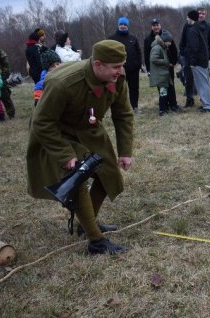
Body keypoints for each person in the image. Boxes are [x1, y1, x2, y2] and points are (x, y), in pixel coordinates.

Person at [26, 40, 134, 255]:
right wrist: (64, 154)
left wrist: (125, 151)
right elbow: (42, 123)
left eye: (122, 65)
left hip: (88, 129)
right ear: (98, 64)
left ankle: (86, 224)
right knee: (79, 176)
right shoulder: (63, 82)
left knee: (109, 175)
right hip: (57, 132)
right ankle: (96, 241)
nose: (120, 71)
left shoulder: (117, 79)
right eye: (115, 67)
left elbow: (123, 114)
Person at [145, 19, 181, 113]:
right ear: (151, 27)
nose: (156, 27)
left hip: (169, 67)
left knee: (170, 86)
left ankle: (173, 104)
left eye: (157, 25)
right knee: (162, 89)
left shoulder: (167, 36)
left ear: (160, 25)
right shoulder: (149, 40)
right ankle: (163, 108)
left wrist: (173, 62)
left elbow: (174, 51)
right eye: (154, 25)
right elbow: (149, 57)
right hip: (159, 70)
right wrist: (149, 70)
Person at [183, 10, 210, 112]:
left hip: (198, 62)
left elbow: (194, 47)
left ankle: (208, 106)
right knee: (205, 83)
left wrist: (192, 62)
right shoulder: (200, 28)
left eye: (187, 17)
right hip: (203, 60)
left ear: (191, 18)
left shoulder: (193, 30)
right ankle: (207, 103)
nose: (186, 19)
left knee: (202, 84)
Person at [108, 17, 142, 113]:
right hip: (118, 70)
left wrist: (138, 65)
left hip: (133, 70)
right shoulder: (112, 39)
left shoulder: (133, 39)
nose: (123, 26)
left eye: (125, 25)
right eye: (121, 24)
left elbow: (139, 52)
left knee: (134, 89)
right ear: (118, 26)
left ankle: (134, 107)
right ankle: (118, 109)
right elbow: (108, 53)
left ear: (127, 26)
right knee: (118, 89)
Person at [148, 32, 174, 116]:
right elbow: (153, 59)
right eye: (168, 41)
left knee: (165, 92)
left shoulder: (163, 47)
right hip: (160, 76)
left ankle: (165, 108)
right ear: (164, 40)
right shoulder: (157, 47)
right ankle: (162, 110)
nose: (170, 43)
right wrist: (166, 62)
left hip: (163, 75)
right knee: (163, 93)